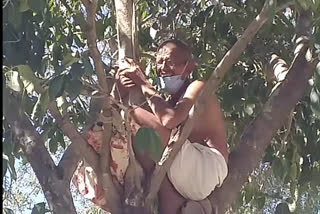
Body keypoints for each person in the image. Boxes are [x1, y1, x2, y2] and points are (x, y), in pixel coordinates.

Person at [118, 39, 228, 214]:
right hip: (182, 173)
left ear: (189, 66)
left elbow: (170, 120)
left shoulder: (197, 87)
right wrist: (120, 88)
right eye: (159, 62)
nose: (163, 68)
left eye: (170, 62)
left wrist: (142, 83)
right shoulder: (170, 102)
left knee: (131, 114)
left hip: (206, 167)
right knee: (145, 150)